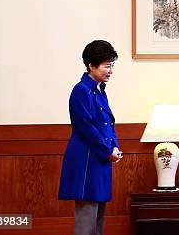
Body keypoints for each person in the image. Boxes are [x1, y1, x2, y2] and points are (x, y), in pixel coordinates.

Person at [58, 40, 123, 235]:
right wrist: (107, 150)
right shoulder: (81, 90)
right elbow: (85, 127)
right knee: (86, 221)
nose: (110, 70)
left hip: (101, 158)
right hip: (86, 159)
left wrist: (114, 147)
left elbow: (107, 124)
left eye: (112, 65)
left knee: (98, 220)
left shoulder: (100, 90)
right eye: (106, 65)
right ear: (91, 65)